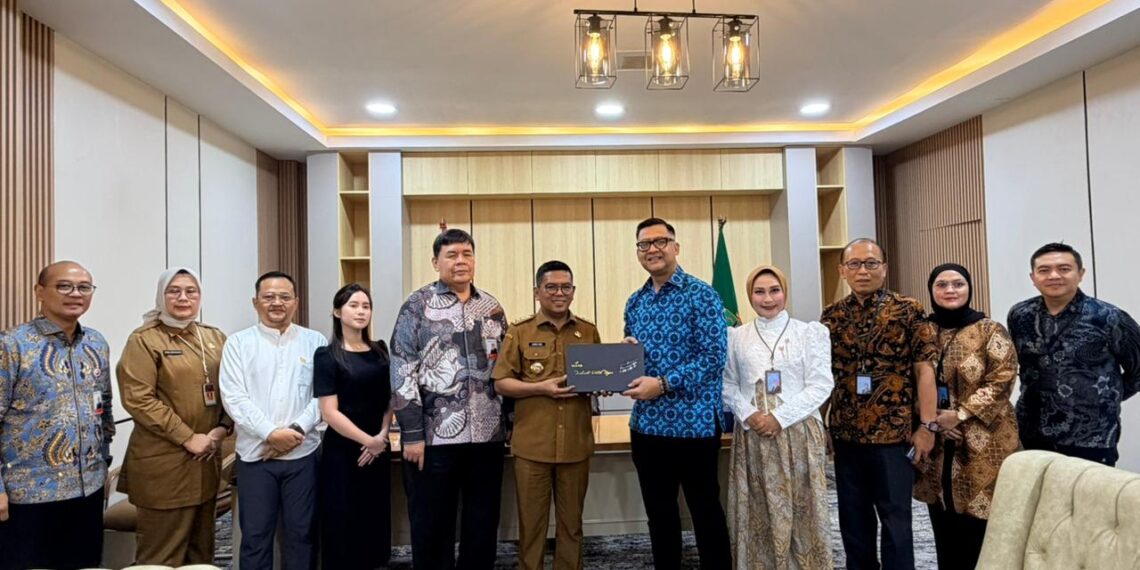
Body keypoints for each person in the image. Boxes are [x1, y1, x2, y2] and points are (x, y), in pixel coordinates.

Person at [390, 228, 509, 569]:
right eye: (452, 255)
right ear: (436, 262)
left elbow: (507, 367)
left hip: (487, 434)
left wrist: (511, 422)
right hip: (434, 437)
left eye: (466, 254)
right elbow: (402, 369)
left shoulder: (491, 307)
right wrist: (412, 433)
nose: (460, 261)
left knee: (482, 520)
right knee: (432, 522)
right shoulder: (417, 305)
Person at [821, 238, 939, 570]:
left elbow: (925, 370)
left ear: (884, 269)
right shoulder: (831, 316)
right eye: (854, 264)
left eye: (871, 263)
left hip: (894, 436)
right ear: (842, 270)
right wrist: (822, 424)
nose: (863, 270)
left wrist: (927, 426)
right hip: (846, 436)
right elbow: (824, 376)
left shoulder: (908, 309)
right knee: (853, 522)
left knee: (896, 521)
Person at [622, 217, 732, 570]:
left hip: (694, 426)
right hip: (646, 426)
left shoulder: (702, 295)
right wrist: (626, 357)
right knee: (659, 516)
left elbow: (714, 358)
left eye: (660, 241)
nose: (652, 249)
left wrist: (663, 384)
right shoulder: (635, 301)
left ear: (675, 247)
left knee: (706, 513)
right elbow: (633, 356)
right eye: (644, 244)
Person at [0, 261, 115, 570]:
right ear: (39, 291)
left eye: (84, 287)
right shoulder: (12, 345)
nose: (75, 293)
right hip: (27, 494)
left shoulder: (96, 343)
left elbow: (103, 408)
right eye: (64, 286)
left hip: (88, 489)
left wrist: (103, 462)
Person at [116, 267, 233, 566]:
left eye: (191, 291)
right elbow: (139, 399)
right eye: (174, 291)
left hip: (206, 461)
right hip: (165, 463)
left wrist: (222, 428)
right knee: (161, 556)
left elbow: (233, 389)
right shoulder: (144, 340)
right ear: (161, 296)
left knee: (201, 553)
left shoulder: (213, 337)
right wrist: (187, 437)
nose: (183, 298)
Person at [722, 265, 834, 569]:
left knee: (801, 507)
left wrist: (779, 418)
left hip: (798, 432)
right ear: (750, 295)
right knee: (758, 507)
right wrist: (750, 415)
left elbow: (821, 384)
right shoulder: (736, 337)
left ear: (785, 292)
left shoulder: (809, 333)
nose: (768, 298)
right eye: (759, 292)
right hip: (753, 434)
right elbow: (728, 384)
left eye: (775, 290)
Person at [492, 261, 600, 570]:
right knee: (532, 528)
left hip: (575, 445)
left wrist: (604, 384)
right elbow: (501, 383)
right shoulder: (519, 331)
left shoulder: (587, 331)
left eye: (566, 287)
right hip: (532, 447)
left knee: (572, 526)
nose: (559, 293)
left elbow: (599, 376)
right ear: (537, 292)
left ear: (573, 291)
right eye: (551, 287)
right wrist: (541, 388)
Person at [913, 263, 1019, 570]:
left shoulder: (990, 330)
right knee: (943, 519)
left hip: (984, 440)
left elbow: (1002, 379)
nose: (950, 290)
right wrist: (935, 419)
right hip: (936, 439)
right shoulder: (923, 331)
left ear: (969, 288)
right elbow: (909, 381)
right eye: (941, 285)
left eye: (958, 284)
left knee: (981, 524)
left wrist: (959, 415)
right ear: (931, 290)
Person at [220, 271, 327, 570]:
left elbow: (321, 396)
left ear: (296, 302)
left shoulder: (315, 341)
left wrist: (293, 432)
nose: (276, 302)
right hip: (256, 457)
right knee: (255, 536)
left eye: (284, 297)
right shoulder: (238, 343)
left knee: (302, 535)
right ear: (255, 302)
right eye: (268, 297)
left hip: (303, 456)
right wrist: (270, 433)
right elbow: (234, 397)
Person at [1007, 243, 1140, 466]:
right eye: (1044, 270)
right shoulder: (1020, 315)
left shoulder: (1109, 317)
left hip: (1091, 436)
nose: (1054, 276)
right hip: (1030, 431)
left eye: (1064, 269)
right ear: (1033, 277)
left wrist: (1105, 398)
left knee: (1091, 490)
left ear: (1081, 273)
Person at [315, 282, 394, 570]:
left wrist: (381, 436)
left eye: (366, 306)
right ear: (337, 312)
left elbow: (390, 400)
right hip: (343, 449)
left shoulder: (380, 350)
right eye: (353, 305)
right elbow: (329, 412)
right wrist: (368, 441)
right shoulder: (326, 355)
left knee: (374, 515)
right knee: (342, 517)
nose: (361, 311)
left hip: (378, 446)